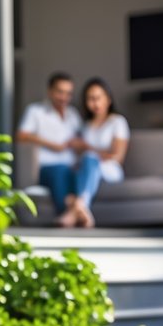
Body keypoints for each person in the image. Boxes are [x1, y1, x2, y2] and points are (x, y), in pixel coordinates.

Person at [60, 77, 130, 228]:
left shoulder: (117, 122)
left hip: (110, 169)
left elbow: (117, 157)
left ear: (108, 99)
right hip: (88, 168)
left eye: (98, 98)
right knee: (73, 167)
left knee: (90, 158)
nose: (95, 103)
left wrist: (87, 148)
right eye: (90, 99)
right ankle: (81, 210)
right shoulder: (86, 126)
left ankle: (78, 206)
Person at [15, 72, 82, 223]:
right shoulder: (35, 111)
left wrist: (77, 144)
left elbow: (81, 138)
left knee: (78, 173)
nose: (64, 97)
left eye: (68, 93)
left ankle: (73, 212)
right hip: (46, 168)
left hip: (71, 167)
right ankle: (70, 212)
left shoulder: (73, 114)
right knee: (60, 172)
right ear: (50, 91)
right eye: (60, 92)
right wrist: (53, 145)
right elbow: (21, 135)